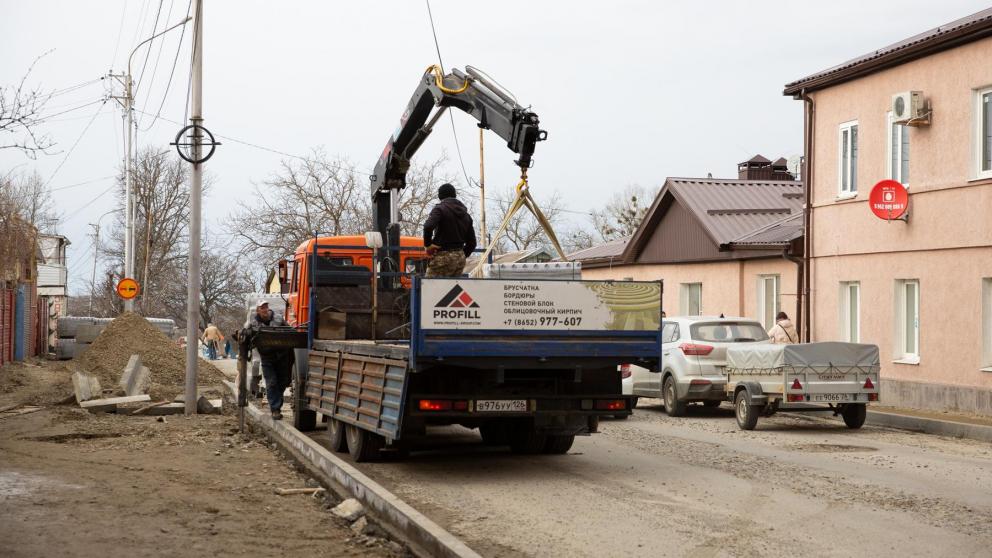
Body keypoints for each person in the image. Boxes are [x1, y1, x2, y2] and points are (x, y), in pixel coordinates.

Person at [248, 300, 292, 419]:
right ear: (258, 310)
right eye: (262, 308)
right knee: (272, 383)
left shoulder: (278, 319)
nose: (264, 309)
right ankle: (275, 409)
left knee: (283, 382)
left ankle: (277, 404)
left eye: (266, 307)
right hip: (267, 358)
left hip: (282, 355)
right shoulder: (254, 323)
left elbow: (290, 331)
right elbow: (248, 335)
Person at [423, 183, 476, 277]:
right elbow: (472, 243)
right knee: (452, 289)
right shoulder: (466, 215)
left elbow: (428, 226)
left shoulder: (439, 209)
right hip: (460, 259)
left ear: (440, 196)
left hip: (442, 257)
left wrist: (428, 245)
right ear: (455, 195)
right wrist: (462, 255)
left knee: (430, 288)